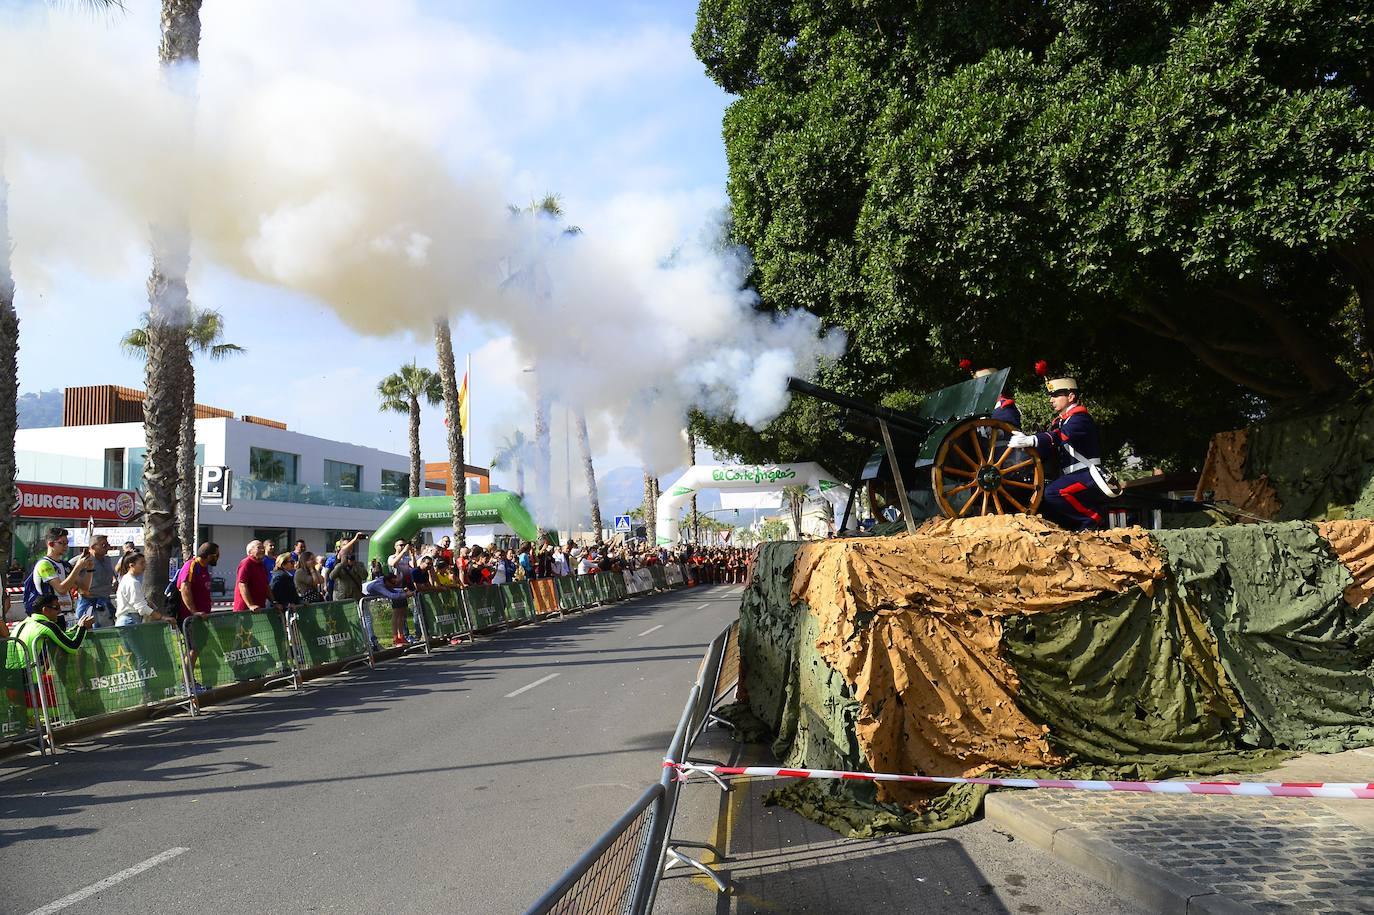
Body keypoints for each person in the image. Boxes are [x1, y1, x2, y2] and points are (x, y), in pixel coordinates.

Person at [1007, 372, 1110, 531]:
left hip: (1088, 475)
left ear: (1070, 396)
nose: (1051, 400)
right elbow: (1050, 447)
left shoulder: (1080, 419)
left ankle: (1092, 518)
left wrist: (1032, 439)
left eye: (1056, 395)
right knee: (1046, 498)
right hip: (1073, 476)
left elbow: (1060, 436)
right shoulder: (1061, 422)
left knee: (1054, 492)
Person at [5, 593, 93, 708]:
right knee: (63, 694)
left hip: (11, 680)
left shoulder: (23, 623)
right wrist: (83, 628)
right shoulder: (46, 625)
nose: (59, 611)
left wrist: (77, 628)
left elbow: (61, 636)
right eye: (56, 607)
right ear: (45, 610)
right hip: (31, 682)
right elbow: (72, 647)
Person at [177, 542, 219, 695]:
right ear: (209, 555)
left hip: (201, 618)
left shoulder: (204, 568)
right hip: (189, 618)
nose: (218, 558)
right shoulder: (191, 566)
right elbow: (184, 588)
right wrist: (193, 611)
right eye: (217, 555)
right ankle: (186, 683)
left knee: (197, 649)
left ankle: (190, 681)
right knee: (193, 649)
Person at [29, 528, 92, 624]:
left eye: (67, 543)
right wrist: (78, 567)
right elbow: (61, 589)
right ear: (51, 544)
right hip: (52, 616)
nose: (66, 546)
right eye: (62, 543)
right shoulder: (44, 564)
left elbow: (84, 588)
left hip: (69, 614)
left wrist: (89, 569)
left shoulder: (65, 565)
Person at [363, 571, 417, 648]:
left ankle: (401, 636)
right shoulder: (379, 585)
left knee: (400, 615)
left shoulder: (386, 583)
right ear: (387, 581)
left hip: (369, 595)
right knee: (368, 620)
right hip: (362, 596)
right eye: (393, 583)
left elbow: (393, 590)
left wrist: (402, 591)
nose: (394, 585)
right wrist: (406, 594)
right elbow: (391, 595)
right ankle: (392, 639)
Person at [75, 534, 118, 628]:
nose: (107, 547)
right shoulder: (83, 559)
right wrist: (79, 585)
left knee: (106, 630)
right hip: (88, 600)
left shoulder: (107, 559)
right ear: (93, 547)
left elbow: (111, 572)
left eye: (108, 545)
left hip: (104, 599)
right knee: (87, 629)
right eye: (104, 545)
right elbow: (69, 570)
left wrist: (114, 580)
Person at [115, 553, 164, 626]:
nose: (144, 566)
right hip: (130, 621)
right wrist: (162, 617)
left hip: (127, 620)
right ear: (131, 565)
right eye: (142, 563)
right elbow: (141, 607)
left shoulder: (126, 579)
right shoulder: (132, 582)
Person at [233, 540, 271, 612]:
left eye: (263, 548)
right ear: (250, 551)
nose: (262, 550)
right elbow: (242, 585)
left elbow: (266, 586)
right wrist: (250, 605)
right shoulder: (246, 563)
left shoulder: (261, 565)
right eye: (259, 548)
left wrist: (274, 601)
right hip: (246, 610)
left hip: (259, 608)